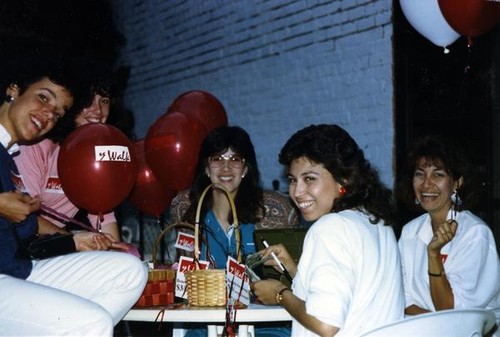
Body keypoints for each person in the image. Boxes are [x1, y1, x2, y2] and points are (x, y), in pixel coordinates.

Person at [0, 57, 147, 336]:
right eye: (43, 98)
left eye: (56, 113)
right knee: (94, 323)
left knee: (130, 271)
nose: (47, 115)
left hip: (18, 268)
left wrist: (86, 241)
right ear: (14, 91)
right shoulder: (31, 150)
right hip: (21, 263)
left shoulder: (10, 154)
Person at [251, 124, 404, 337]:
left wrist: (279, 294)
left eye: (310, 178)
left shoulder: (329, 228)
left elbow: (326, 324)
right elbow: (352, 298)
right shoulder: (375, 221)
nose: (297, 192)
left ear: (344, 179)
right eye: (293, 180)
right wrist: (297, 273)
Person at [170, 125, 298, 337]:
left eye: (235, 159)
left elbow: (291, 282)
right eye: (218, 159)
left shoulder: (274, 211)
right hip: (205, 324)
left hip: (264, 326)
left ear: (246, 169)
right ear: (206, 168)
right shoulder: (187, 212)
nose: (226, 168)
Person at [14, 63, 122, 240]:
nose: (98, 111)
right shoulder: (36, 147)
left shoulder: (99, 157)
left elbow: (104, 218)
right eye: (88, 101)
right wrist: (73, 241)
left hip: (57, 245)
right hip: (23, 248)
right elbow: (25, 217)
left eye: (104, 101)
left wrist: (118, 254)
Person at [397, 134, 500, 316]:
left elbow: (452, 311)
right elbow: (401, 299)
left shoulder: (474, 233)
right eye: (419, 174)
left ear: (456, 183)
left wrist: (433, 254)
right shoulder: (409, 232)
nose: (426, 184)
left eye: (438, 174)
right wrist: (434, 325)